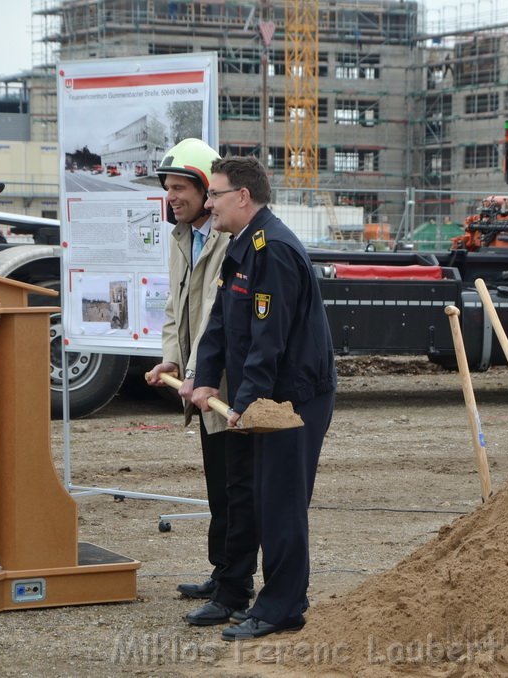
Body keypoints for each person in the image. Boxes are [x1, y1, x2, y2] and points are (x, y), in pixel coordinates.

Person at [191, 156, 336, 641]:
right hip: (269, 396)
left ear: (243, 197)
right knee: (262, 494)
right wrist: (205, 378)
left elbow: (267, 341)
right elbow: (220, 322)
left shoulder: (272, 250)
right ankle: (276, 596)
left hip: (293, 400)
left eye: (215, 194)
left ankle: (283, 607)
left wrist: (244, 403)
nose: (208, 203)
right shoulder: (242, 246)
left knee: (281, 500)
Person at [144, 139, 258, 625]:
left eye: (180, 188)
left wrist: (197, 375)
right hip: (202, 384)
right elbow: (177, 311)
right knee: (218, 485)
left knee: (238, 487)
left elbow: (219, 320)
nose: (172, 197)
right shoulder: (182, 238)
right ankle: (222, 571)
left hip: (226, 387)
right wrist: (173, 360)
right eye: (168, 188)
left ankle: (235, 587)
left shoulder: (229, 239)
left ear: (205, 189)